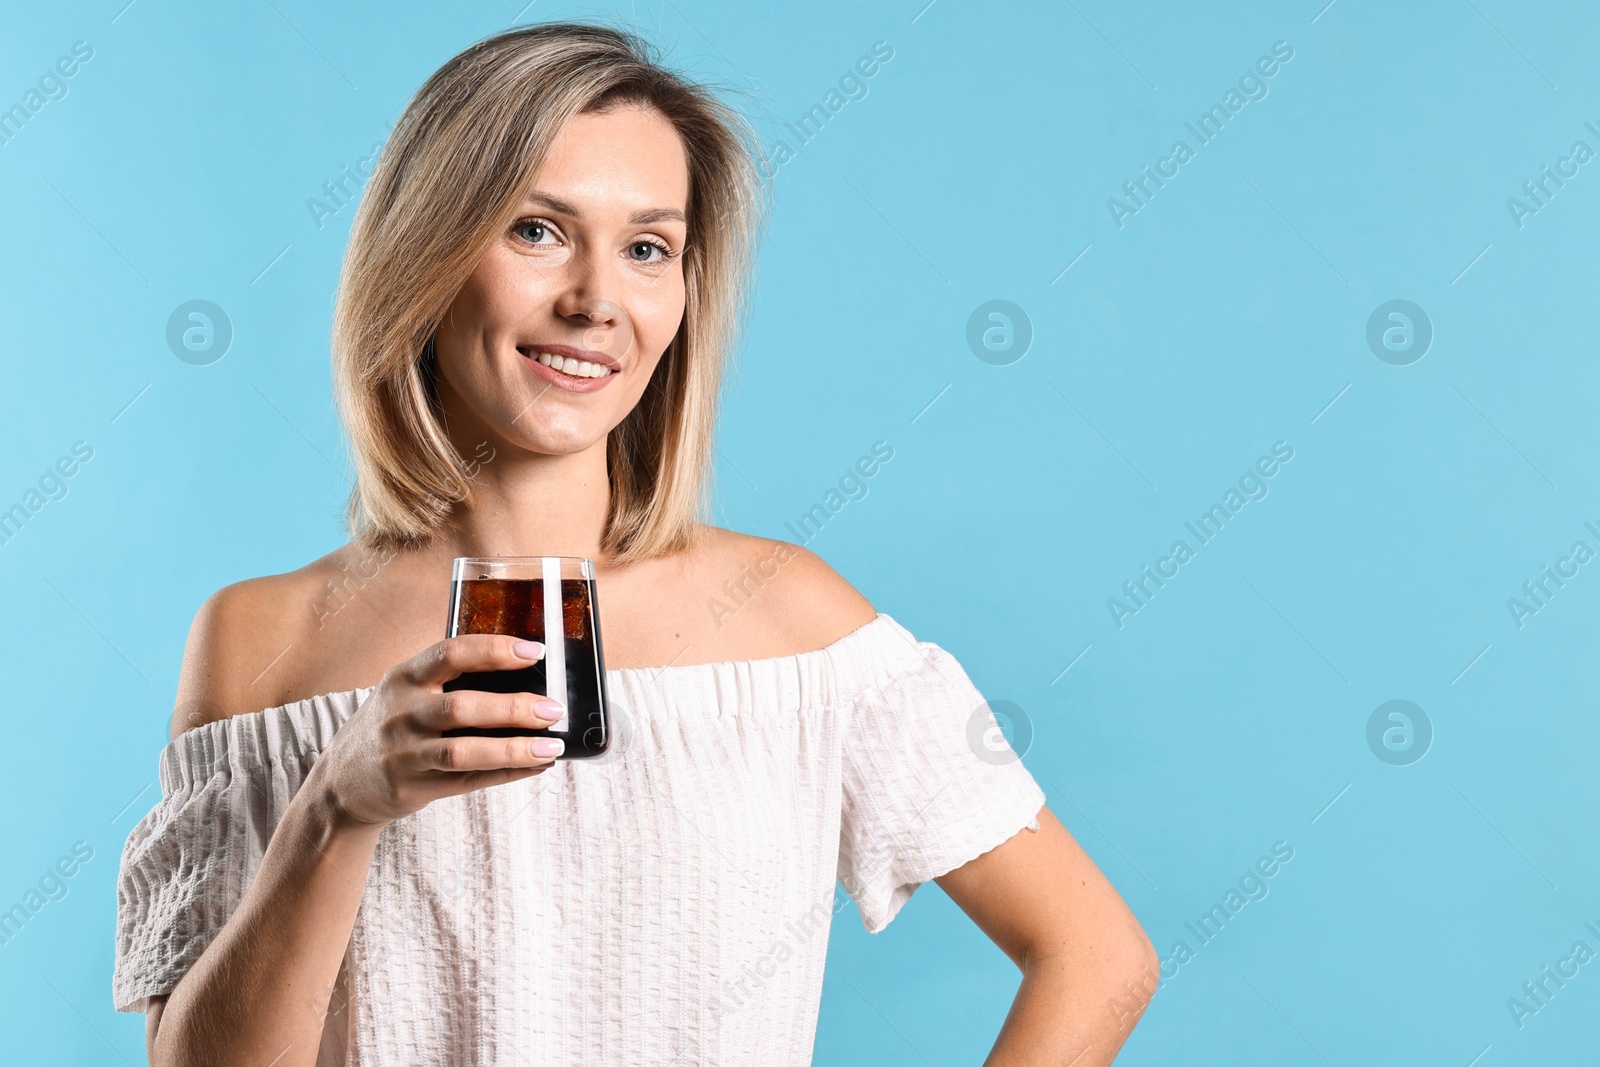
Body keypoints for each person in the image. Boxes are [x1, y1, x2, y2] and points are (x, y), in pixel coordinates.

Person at [112, 20, 1156, 1066]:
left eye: (647, 247)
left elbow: (1096, 954)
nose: (595, 300)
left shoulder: (791, 623)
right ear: (424, 251)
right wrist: (334, 807)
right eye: (536, 230)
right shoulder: (259, 634)